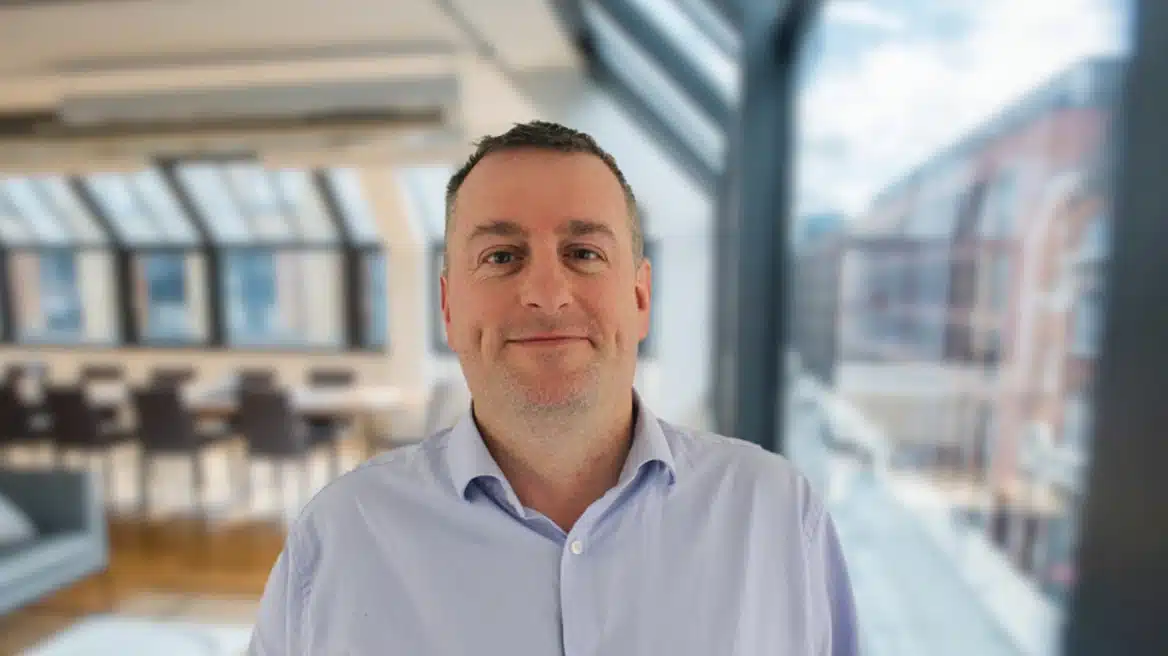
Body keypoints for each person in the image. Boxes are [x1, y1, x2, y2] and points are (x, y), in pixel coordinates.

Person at [249, 120, 859, 655]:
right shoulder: (338, 540)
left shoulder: (778, 517)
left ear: (640, 297)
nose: (546, 293)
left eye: (584, 253)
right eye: (501, 256)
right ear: (449, 308)